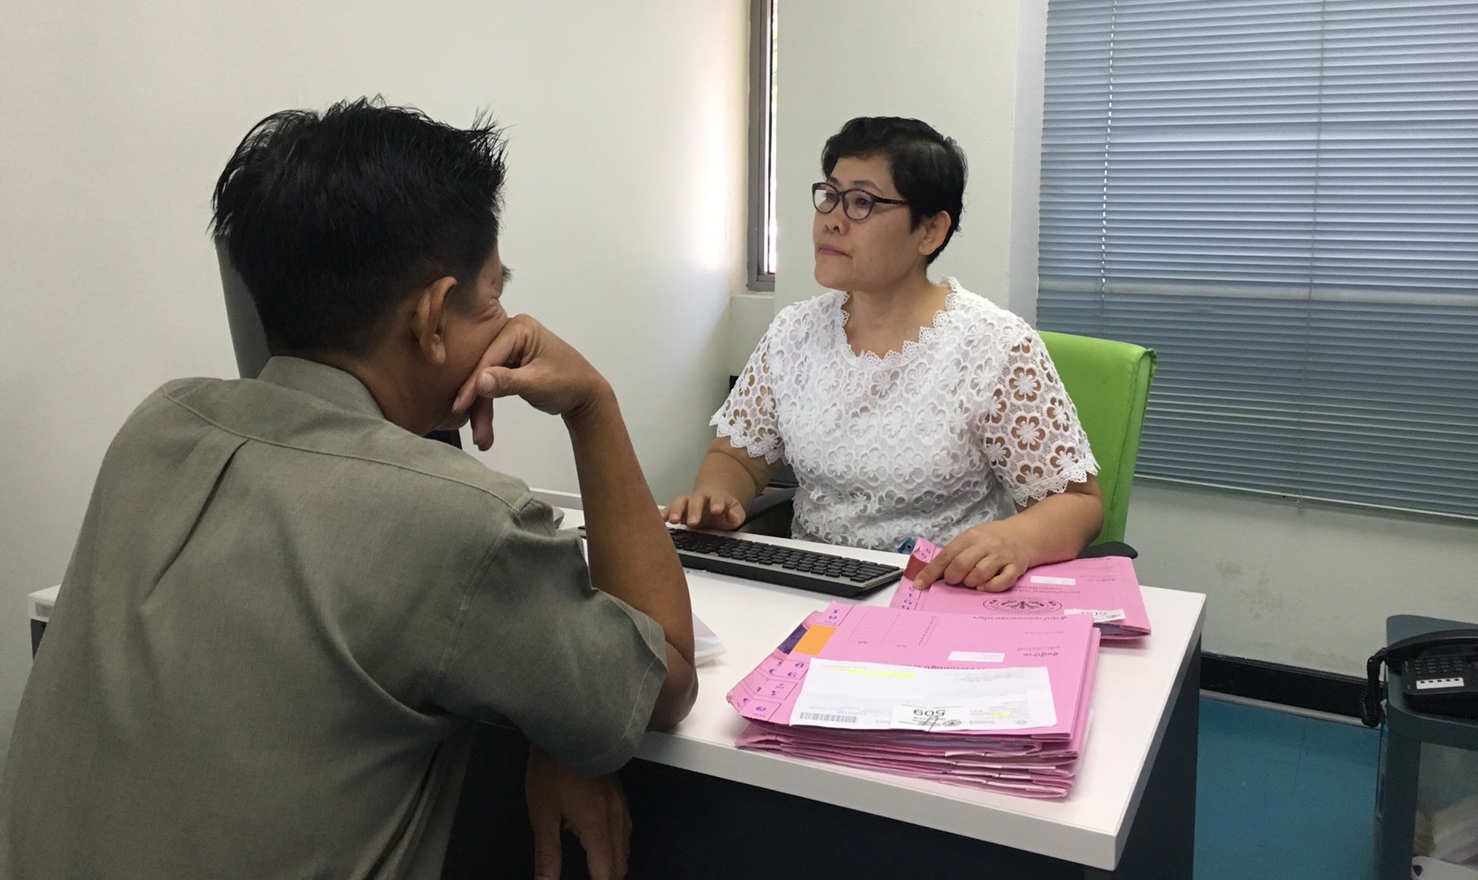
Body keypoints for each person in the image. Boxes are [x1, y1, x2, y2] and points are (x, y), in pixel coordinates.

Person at [0, 99, 697, 879]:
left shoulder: (159, 426)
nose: (504, 321)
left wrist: (546, 705)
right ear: (432, 317)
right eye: (492, 296)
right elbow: (663, 676)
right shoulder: (464, 525)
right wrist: (591, 405)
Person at [664, 115, 1104, 593]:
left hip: (940, 591)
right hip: (811, 586)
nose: (832, 219)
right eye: (829, 195)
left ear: (929, 231)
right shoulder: (794, 332)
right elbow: (739, 458)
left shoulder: (994, 346)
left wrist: (1016, 538)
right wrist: (717, 496)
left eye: (862, 203)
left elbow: (1077, 504)